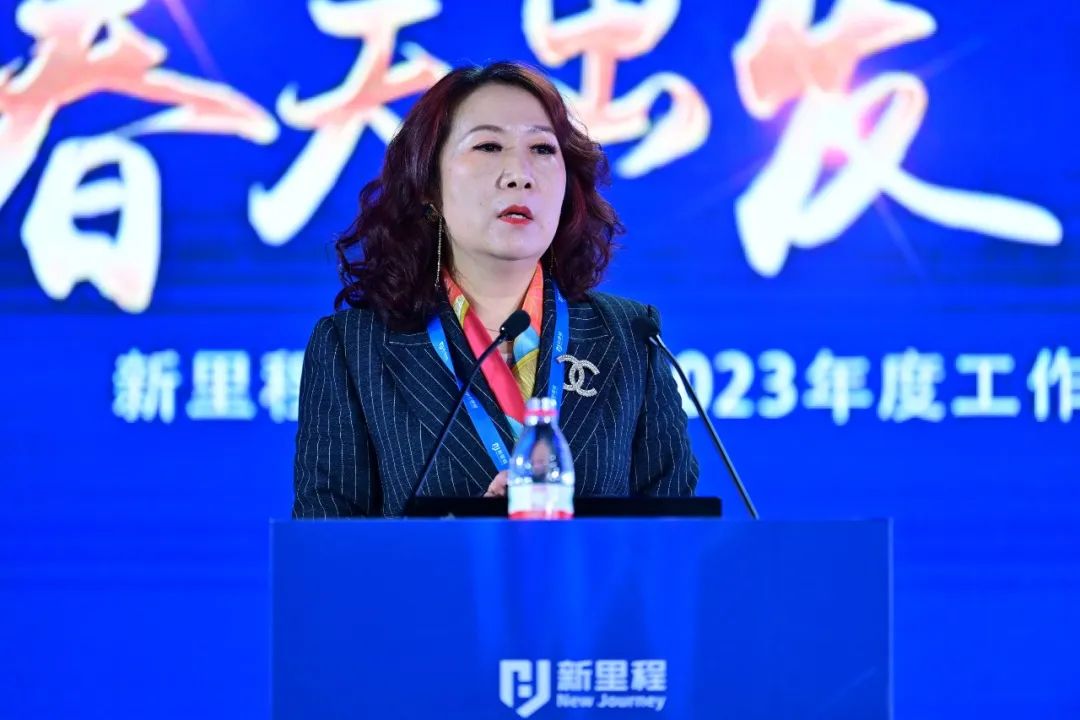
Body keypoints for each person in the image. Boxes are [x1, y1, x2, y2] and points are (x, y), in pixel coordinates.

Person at [293, 61, 698, 518]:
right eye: (488, 146)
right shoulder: (353, 349)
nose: (519, 174)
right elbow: (325, 545)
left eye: (542, 149)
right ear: (428, 185)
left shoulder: (632, 337)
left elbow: (677, 538)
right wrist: (469, 536)